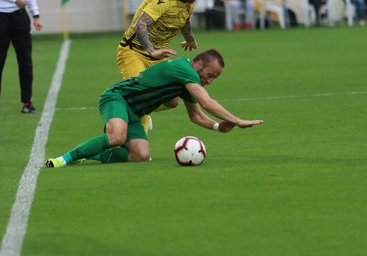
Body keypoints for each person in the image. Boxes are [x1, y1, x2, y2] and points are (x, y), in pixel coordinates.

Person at [46, 49, 264, 168]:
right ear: (198, 65)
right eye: (210, 75)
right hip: (117, 97)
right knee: (117, 137)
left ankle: (94, 154)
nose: (211, 81)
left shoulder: (187, 83)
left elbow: (197, 116)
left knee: (141, 155)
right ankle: (65, 159)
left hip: (135, 113)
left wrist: (218, 126)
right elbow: (207, 102)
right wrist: (238, 120)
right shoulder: (184, 69)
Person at [116, 0, 204, 133]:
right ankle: (139, 145)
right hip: (133, 51)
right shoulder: (163, 0)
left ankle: (137, 106)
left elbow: (185, 20)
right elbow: (140, 25)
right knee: (140, 96)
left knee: (172, 101)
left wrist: (190, 39)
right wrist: (152, 51)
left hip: (157, 56)